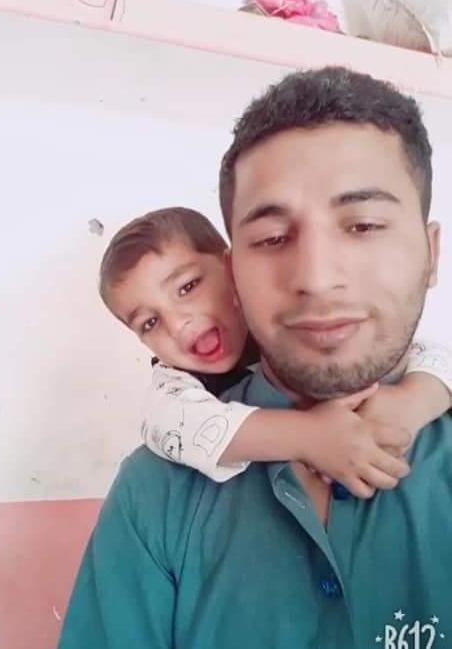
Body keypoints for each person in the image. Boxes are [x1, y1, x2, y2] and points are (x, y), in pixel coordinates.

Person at [58, 67, 452, 649]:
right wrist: (309, 436)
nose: (316, 278)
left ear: (432, 254)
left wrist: (413, 402)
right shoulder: (158, 484)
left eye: (364, 225)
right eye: (271, 239)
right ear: (236, 266)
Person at [99, 206, 451, 496]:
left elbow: (431, 355)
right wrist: (310, 436)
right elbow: (173, 425)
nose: (177, 324)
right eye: (149, 323)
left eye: (187, 287)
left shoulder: (289, 320)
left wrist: (411, 402)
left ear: (233, 268)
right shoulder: (173, 386)